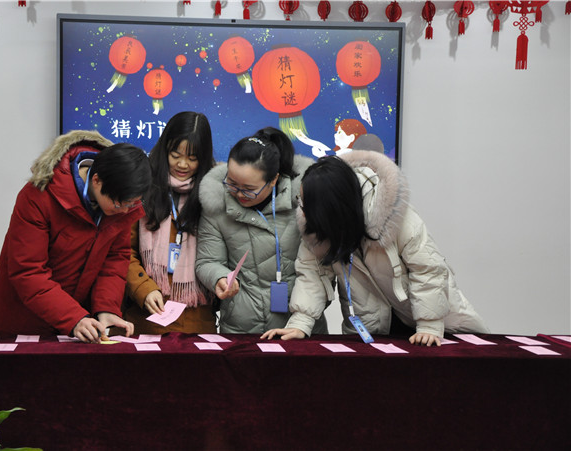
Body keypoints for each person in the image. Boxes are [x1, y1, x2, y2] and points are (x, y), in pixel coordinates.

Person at [261, 152, 489, 346]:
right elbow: (312, 276)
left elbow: (427, 270)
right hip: (372, 329)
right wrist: (300, 323)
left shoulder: (397, 218)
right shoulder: (315, 228)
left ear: (329, 209)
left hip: (435, 325)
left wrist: (429, 325)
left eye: (305, 202)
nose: (301, 209)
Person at [0, 130, 151, 343]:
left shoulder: (119, 205)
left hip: (79, 326)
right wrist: (73, 318)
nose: (125, 211)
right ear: (97, 180)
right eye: (120, 203)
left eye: (133, 203)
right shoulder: (39, 195)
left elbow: (114, 260)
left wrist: (107, 309)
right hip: (24, 324)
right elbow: (28, 271)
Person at [196, 127, 328, 334]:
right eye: (232, 183)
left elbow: (320, 267)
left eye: (249, 189)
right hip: (241, 327)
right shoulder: (216, 206)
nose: (239, 194)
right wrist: (220, 277)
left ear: (274, 180)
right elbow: (207, 260)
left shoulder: (302, 202)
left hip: (299, 327)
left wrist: (303, 321)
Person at [123, 111, 217, 334]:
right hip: (145, 316)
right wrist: (143, 288)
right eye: (175, 154)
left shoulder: (213, 193)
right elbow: (122, 251)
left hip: (197, 319)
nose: (182, 164)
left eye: (192, 158)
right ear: (164, 148)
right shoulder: (142, 186)